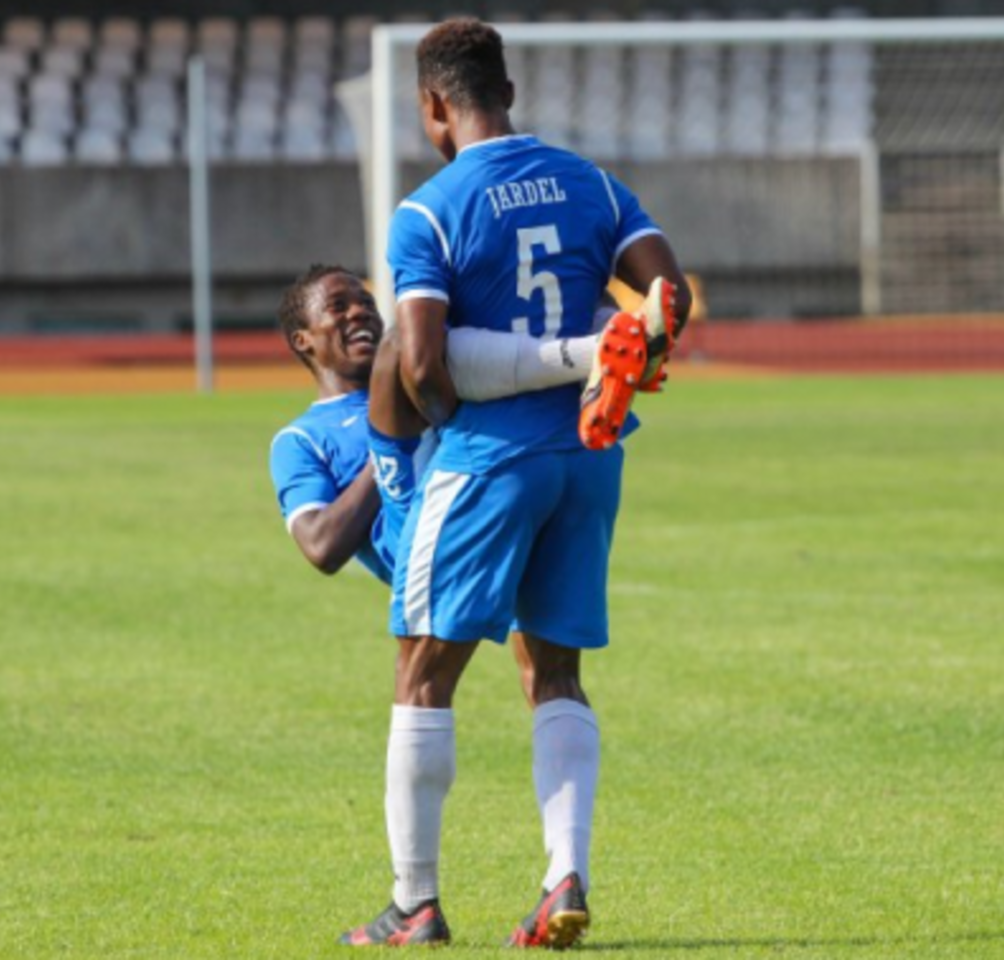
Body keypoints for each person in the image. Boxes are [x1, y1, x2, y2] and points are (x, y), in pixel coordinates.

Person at [339, 19, 692, 950]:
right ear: (509, 91)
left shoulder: (429, 210)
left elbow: (421, 364)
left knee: (424, 672)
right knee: (556, 671)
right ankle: (564, 875)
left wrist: (451, 424)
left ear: (432, 106)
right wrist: (614, 356)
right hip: (591, 453)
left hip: (490, 462)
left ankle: (414, 904)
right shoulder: (593, 183)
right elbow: (670, 299)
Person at [269, 264, 666, 585]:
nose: (360, 312)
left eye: (366, 303)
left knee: (571, 281)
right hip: (423, 540)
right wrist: (392, 437)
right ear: (302, 340)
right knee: (410, 336)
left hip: (495, 488)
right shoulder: (301, 439)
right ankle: (599, 354)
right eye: (338, 307)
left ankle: (612, 351)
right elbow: (321, 547)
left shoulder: (425, 373)